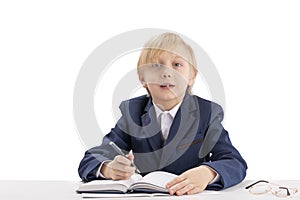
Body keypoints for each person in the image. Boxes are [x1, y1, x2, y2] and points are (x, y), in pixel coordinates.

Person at [78, 32, 247, 195]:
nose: (166, 72)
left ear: (191, 77)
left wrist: (208, 173)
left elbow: (234, 161)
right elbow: (92, 158)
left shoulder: (207, 113)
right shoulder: (133, 112)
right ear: (142, 78)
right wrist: (109, 168)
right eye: (156, 65)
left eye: (177, 65)